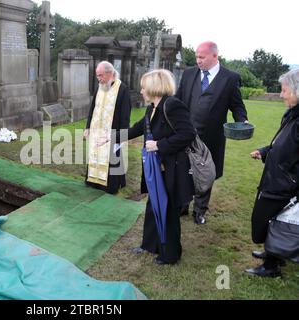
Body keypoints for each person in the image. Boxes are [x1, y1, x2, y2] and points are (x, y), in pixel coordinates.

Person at [175, 41, 249, 224]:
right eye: (197, 57)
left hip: (212, 137)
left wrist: (243, 121)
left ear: (215, 56)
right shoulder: (189, 74)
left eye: (201, 57)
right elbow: (177, 100)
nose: (197, 61)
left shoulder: (230, 78)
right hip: (186, 134)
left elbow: (237, 105)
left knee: (205, 173)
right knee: (184, 168)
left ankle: (200, 210)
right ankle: (182, 204)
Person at [127, 70, 195, 264]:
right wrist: (110, 137)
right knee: (153, 206)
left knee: (169, 211)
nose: (141, 90)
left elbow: (188, 133)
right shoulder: (152, 108)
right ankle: (149, 244)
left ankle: (170, 254)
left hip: (172, 169)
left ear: (154, 86)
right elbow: (135, 129)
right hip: (156, 169)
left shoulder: (172, 106)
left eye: (143, 86)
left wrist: (159, 144)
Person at [245, 69, 299, 277]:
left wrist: (292, 180)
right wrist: (265, 151)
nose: (281, 94)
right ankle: (273, 253)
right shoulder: (292, 114)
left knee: (270, 220)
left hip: (285, 184)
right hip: (278, 178)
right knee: (270, 219)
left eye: (284, 90)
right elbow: (283, 143)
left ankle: (271, 266)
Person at [84, 61, 131, 194]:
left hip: (112, 132)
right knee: (95, 154)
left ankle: (110, 185)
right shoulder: (100, 86)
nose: (99, 79)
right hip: (96, 130)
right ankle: (93, 180)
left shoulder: (122, 89)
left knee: (113, 158)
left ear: (110, 73)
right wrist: (88, 127)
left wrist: (122, 134)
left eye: (101, 75)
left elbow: (125, 114)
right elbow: (93, 107)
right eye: (97, 76)